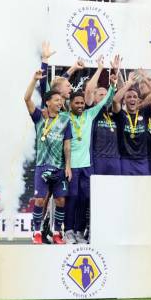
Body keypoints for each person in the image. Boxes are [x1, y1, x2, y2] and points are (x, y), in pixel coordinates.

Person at [63, 66, 115, 244]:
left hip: (87, 166)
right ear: (70, 104)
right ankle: (68, 231)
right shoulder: (65, 117)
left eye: (81, 103)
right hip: (71, 167)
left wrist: (113, 86)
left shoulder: (90, 114)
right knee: (72, 199)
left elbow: (104, 101)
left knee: (85, 199)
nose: (80, 105)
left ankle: (79, 231)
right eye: (76, 103)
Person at [24, 69, 73, 245]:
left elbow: (67, 145)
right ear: (48, 102)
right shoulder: (39, 117)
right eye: (57, 100)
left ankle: (57, 233)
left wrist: (68, 166)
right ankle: (36, 232)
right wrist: (33, 79)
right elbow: (26, 99)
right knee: (40, 200)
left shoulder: (65, 119)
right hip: (42, 166)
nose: (60, 103)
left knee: (60, 201)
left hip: (59, 168)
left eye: (61, 100)